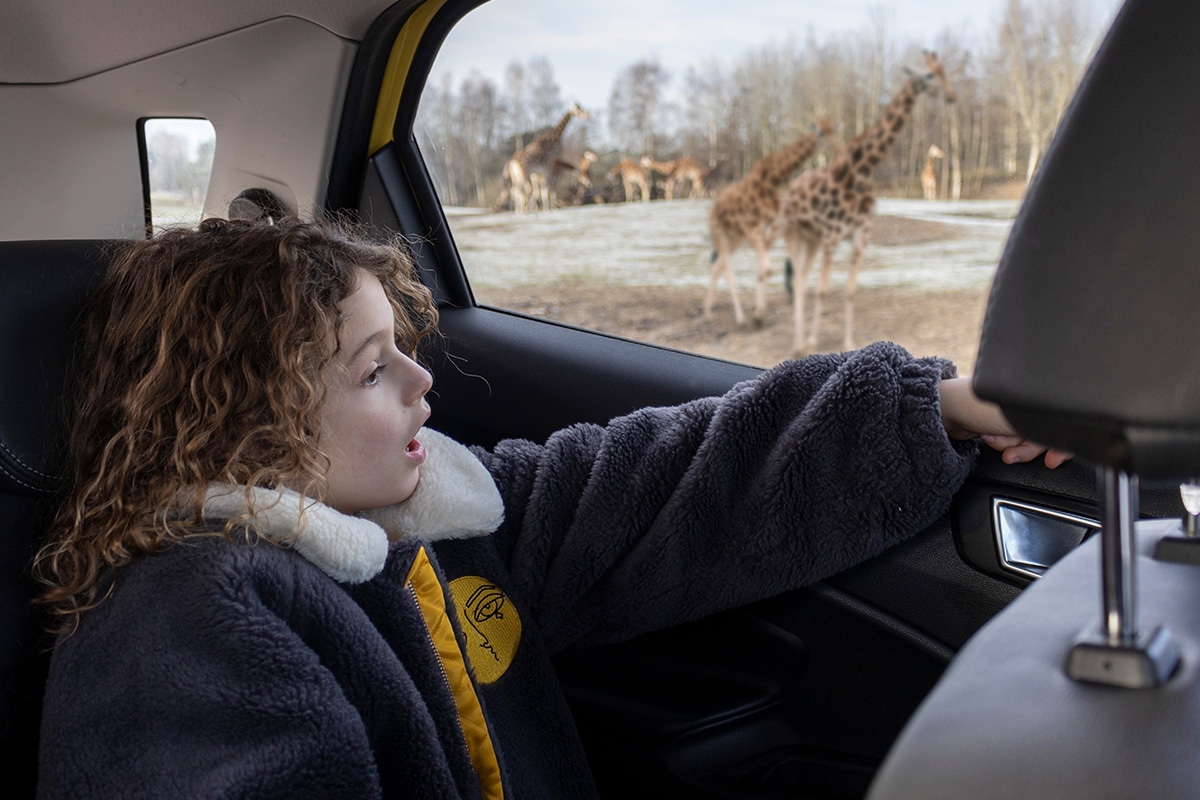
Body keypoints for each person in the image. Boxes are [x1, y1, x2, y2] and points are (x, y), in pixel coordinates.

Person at [33, 217, 1066, 799]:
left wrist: (937, 408)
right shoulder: (187, 624)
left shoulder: (435, 521)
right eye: (369, 368)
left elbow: (665, 476)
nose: (417, 381)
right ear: (251, 419)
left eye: (407, 345)